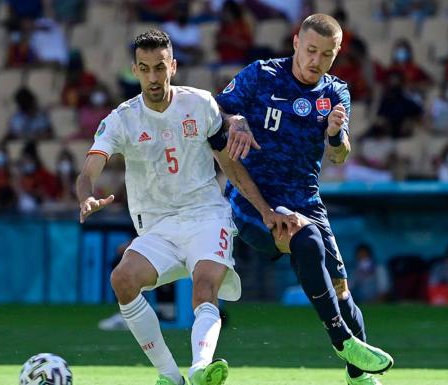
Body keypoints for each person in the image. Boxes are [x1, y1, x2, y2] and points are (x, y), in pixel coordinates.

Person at [76, 29, 293, 385]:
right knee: (122, 280)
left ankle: (199, 370)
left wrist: (265, 209)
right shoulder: (122, 119)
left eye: (159, 67)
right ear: (135, 70)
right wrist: (85, 195)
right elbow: (89, 170)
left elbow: (230, 164)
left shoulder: (200, 104)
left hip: (206, 215)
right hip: (158, 226)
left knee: (203, 287)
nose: (153, 77)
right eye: (144, 69)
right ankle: (168, 376)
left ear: (172, 66)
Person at [214, 13, 394, 385]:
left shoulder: (334, 94)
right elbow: (219, 108)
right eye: (311, 50)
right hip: (252, 199)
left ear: (336, 53)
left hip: (306, 200)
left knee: (343, 292)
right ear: (296, 42)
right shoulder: (261, 74)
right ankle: (342, 341)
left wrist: (333, 135)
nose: (317, 61)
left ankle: (357, 376)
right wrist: (236, 121)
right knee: (305, 240)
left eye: (326, 55)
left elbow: (341, 155)